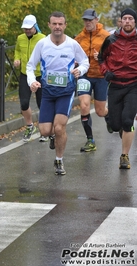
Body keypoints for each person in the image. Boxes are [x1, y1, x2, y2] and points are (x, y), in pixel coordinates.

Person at [26, 11, 90, 175]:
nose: (57, 27)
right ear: (49, 25)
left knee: (59, 127)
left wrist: (80, 70)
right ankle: (53, 137)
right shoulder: (42, 44)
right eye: (54, 24)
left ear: (65, 25)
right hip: (47, 92)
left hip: (66, 92)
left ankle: (59, 161)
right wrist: (32, 81)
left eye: (60, 24)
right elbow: (30, 66)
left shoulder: (72, 44)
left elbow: (85, 62)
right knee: (45, 131)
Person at [98, 8, 137, 169]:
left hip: (133, 85)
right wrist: (105, 72)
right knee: (115, 125)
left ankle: (124, 156)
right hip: (115, 85)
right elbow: (101, 58)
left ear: (134, 22)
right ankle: (114, 123)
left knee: (127, 121)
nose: (127, 21)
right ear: (121, 21)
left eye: (130, 18)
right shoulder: (111, 39)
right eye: (125, 18)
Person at [74, 9, 110, 152]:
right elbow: (72, 56)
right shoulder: (79, 38)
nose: (88, 23)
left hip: (101, 77)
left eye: (90, 20)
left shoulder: (106, 37)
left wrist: (101, 58)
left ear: (96, 20)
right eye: (85, 20)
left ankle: (109, 117)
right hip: (85, 75)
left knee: (100, 111)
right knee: (84, 106)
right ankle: (90, 140)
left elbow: (114, 58)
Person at [14, 14, 47, 142]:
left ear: (35, 27)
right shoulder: (20, 38)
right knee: (24, 103)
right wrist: (17, 59)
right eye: (25, 28)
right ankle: (29, 126)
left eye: (29, 28)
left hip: (39, 75)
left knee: (42, 104)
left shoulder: (43, 38)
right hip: (25, 74)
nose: (27, 31)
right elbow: (17, 50)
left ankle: (44, 129)